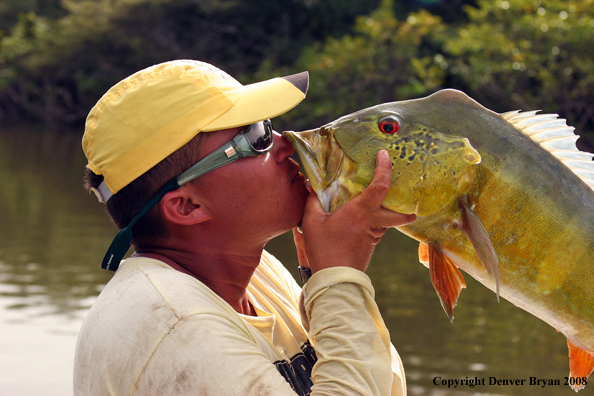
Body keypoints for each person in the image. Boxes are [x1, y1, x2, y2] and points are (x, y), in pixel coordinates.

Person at [74, 59, 415, 395]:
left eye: (267, 123)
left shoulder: (255, 271)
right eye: (255, 137)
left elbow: (383, 385)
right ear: (187, 206)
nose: (286, 141)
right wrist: (340, 274)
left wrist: (320, 279)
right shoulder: (172, 326)